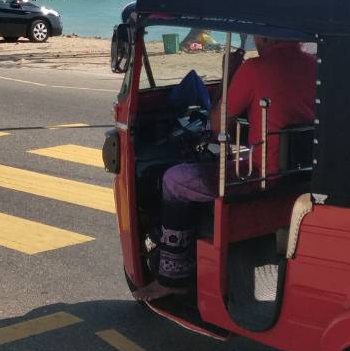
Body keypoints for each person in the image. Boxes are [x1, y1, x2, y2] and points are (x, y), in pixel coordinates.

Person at [132, 36, 317, 301]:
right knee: (227, 165)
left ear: (262, 36)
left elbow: (217, 125)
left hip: (262, 178)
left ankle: (172, 277)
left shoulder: (254, 69)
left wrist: (229, 74)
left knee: (174, 179)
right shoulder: (312, 65)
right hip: (298, 176)